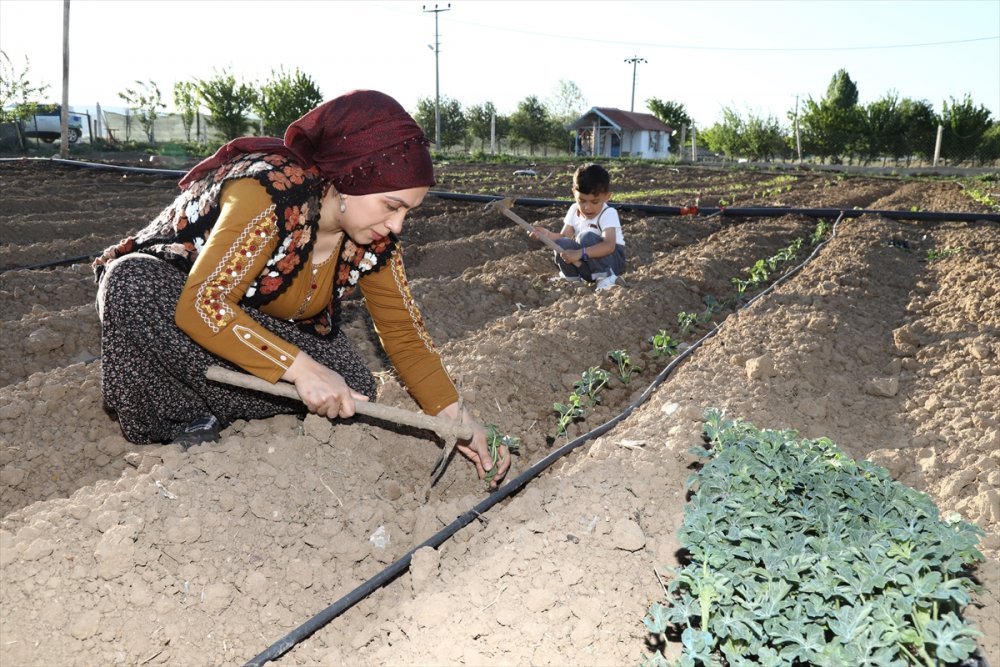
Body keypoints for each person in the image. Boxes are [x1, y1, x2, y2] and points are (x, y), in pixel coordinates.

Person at [93, 90, 510, 489]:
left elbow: (404, 335)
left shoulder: (376, 241)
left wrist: (458, 418)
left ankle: (227, 406)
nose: (397, 225)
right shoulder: (267, 193)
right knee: (131, 283)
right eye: (391, 205)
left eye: (407, 212)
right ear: (350, 180)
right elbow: (203, 304)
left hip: (255, 327)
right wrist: (301, 369)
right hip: (179, 303)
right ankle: (183, 417)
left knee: (354, 389)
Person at [530, 163, 626, 290]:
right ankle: (571, 279)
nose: (587, 207)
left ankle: (607, 278)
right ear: (574, 193)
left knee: (586, 237)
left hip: (612, 262)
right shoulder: (574, 209)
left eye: (594, 202)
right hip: (587, 263)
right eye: (582, 201)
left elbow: (609, 246)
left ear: (607, 197)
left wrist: (580, 253)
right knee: (561, 243)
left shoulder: (608, 213)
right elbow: (564, 236)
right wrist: (546, 235)